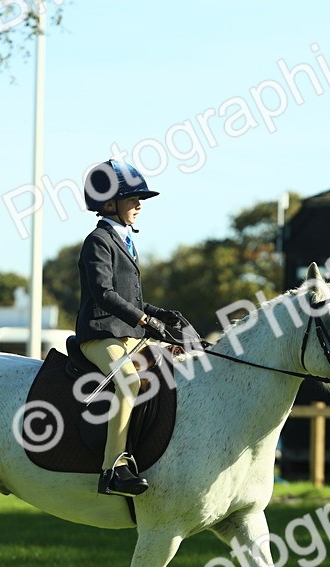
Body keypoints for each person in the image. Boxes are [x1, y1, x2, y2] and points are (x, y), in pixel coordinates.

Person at [76, 159, 186, 497]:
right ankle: (114, 469)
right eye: (132, 199)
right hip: (100, 335)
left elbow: (133, 301)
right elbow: (104, 293)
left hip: (128, 336)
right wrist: (143, 320)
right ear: (109, 203)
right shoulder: (98, 240)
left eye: (140, 199)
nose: (139, 205)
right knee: (128, 379)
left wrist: (160, 315)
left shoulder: (125, 240)